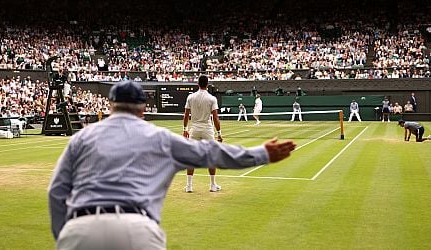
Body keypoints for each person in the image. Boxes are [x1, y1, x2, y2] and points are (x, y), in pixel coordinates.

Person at [48, 80, 296, 250]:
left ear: (111, 106)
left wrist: (67, 236)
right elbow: (211, 153)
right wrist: (261, 154)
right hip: (137, 230)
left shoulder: (82, 138)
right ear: (143, 109)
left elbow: (57, 191)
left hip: (79, 230)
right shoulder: (160, 138)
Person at [183, 75, 222, 193]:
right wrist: (219, 133)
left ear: (198, 84)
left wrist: (185, 129)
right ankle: (212, 185)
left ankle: (189, 186)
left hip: (194, 130)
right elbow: (215, 117)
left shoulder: (191, 97)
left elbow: (186, 115)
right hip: (207, 130)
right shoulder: (212, 98)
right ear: (207, 84)